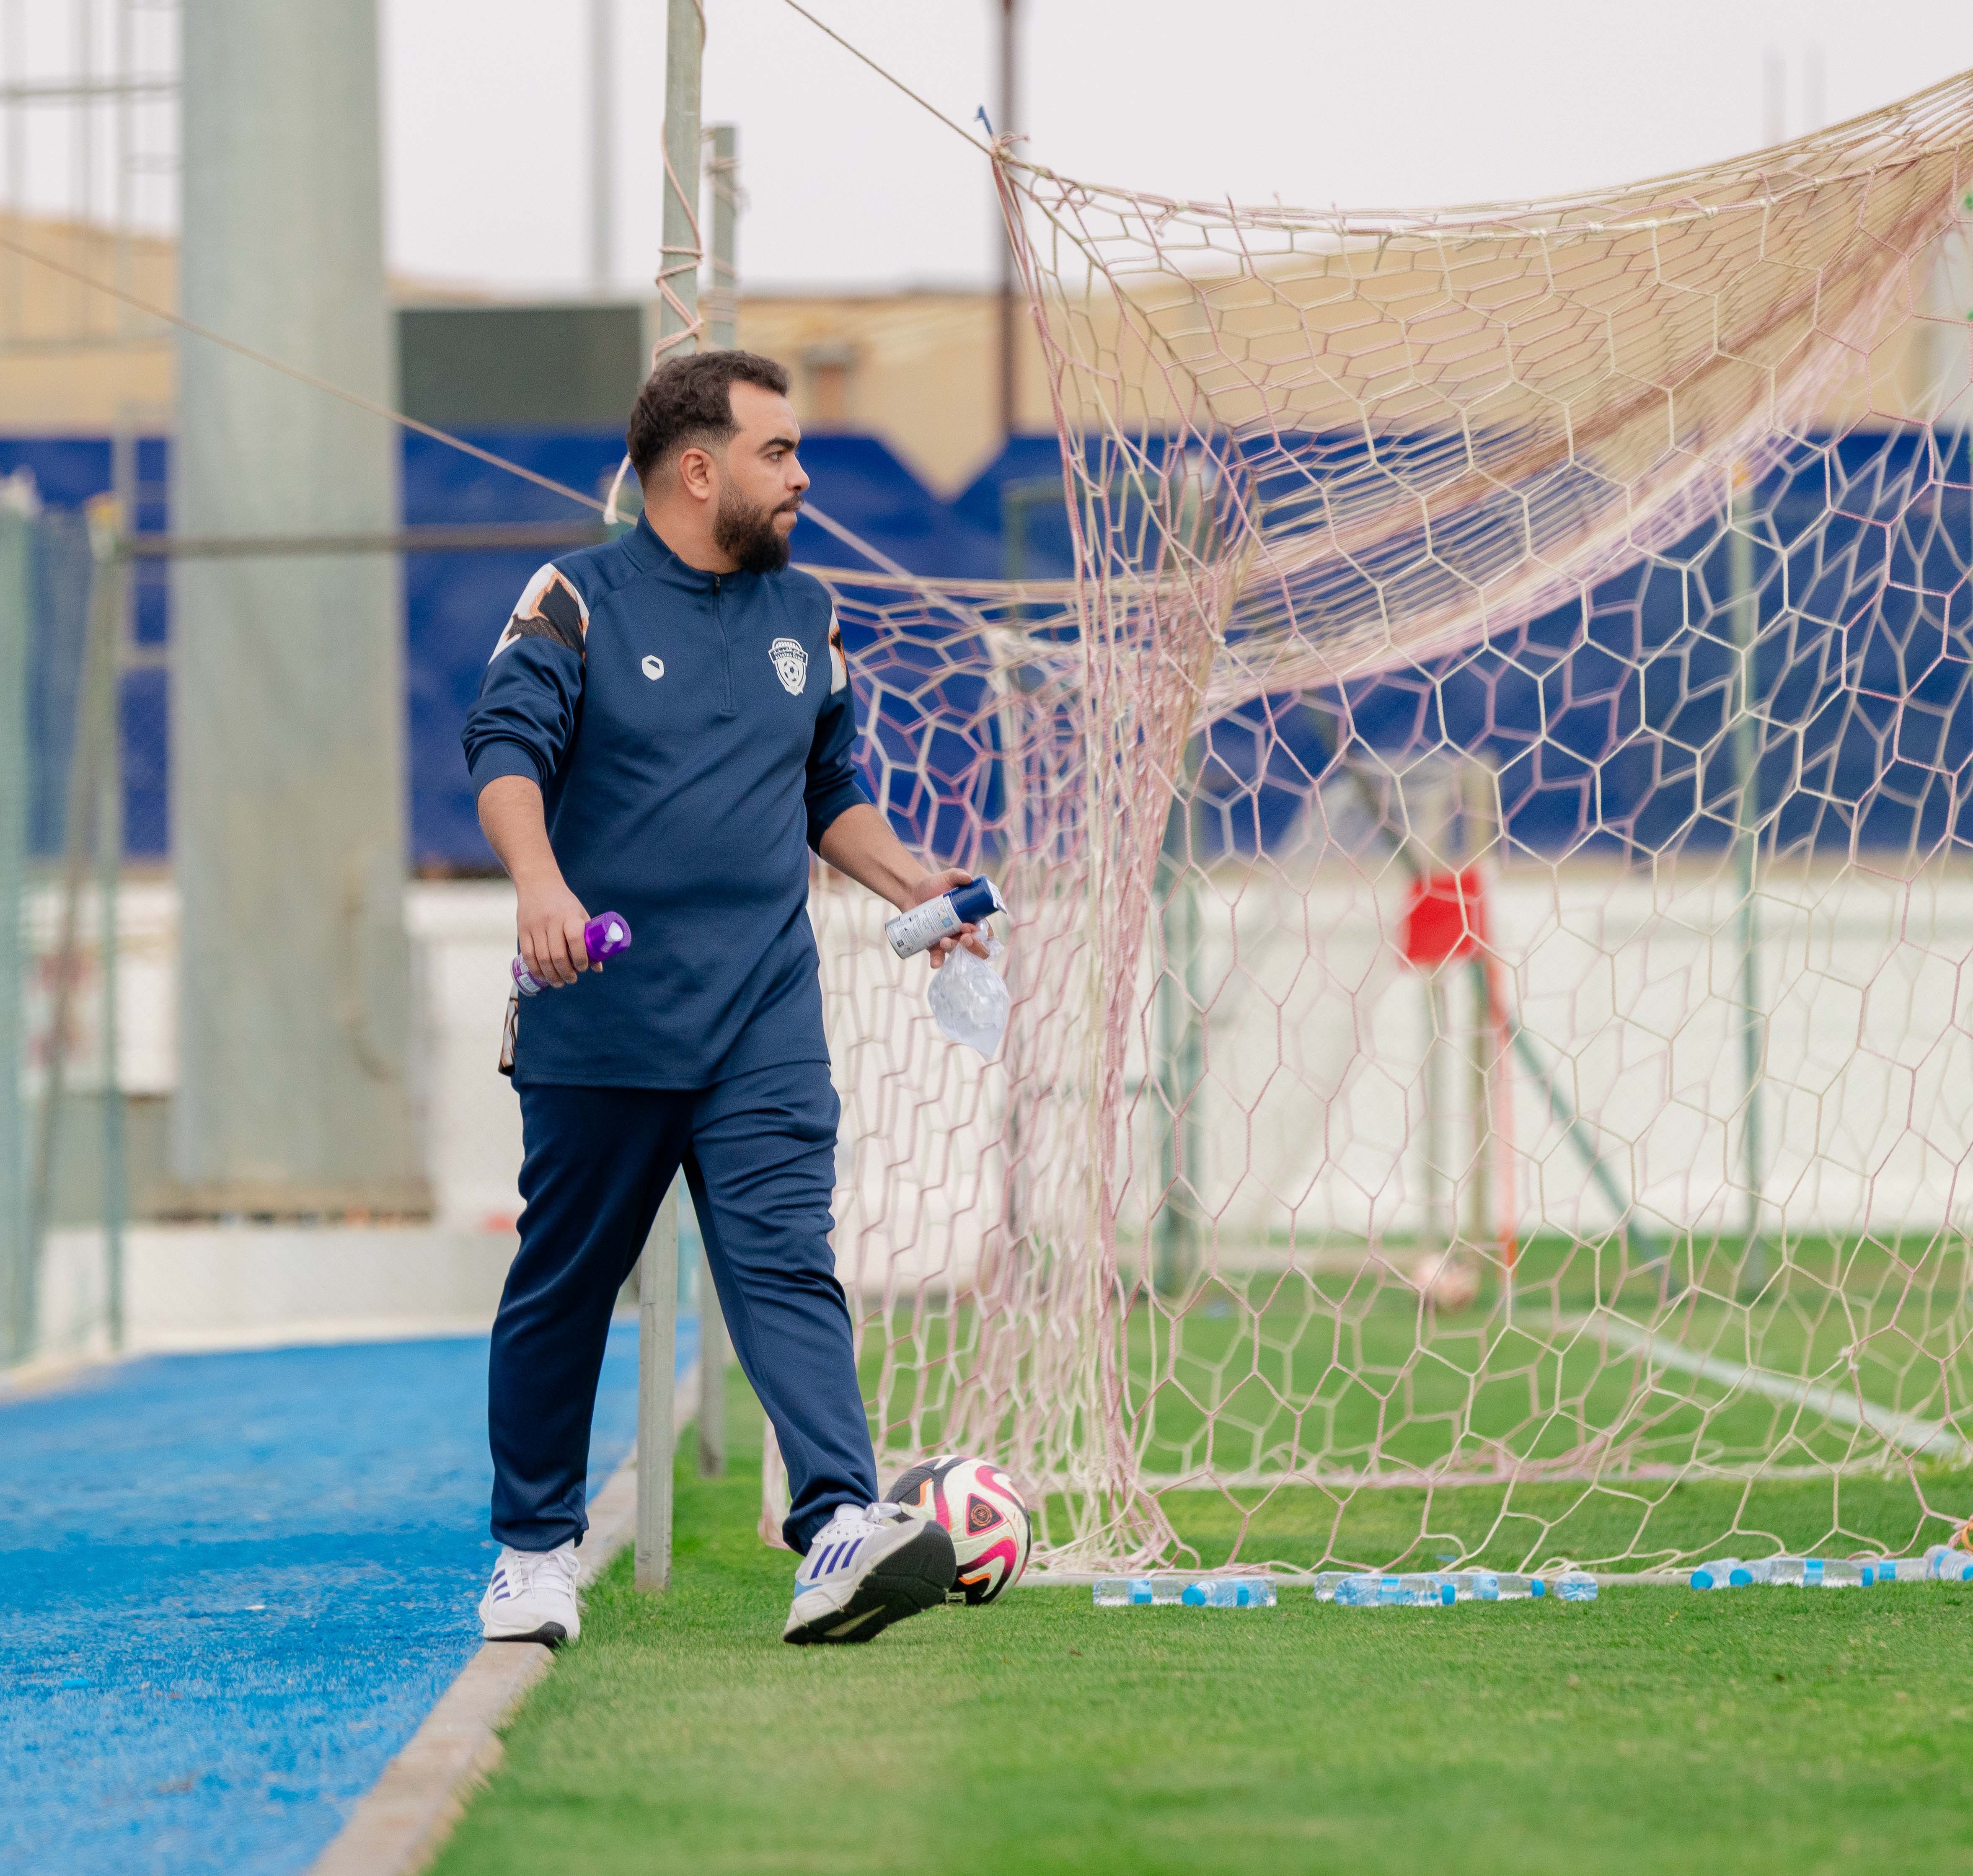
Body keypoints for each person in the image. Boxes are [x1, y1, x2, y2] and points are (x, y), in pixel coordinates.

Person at [461, 349, 984, 1646]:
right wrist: (538, 888)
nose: (804, 477)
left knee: (785, 1263)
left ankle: (838, 1530)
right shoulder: (574, 598)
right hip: (604, 1014)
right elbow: (503, 751)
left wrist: (918, 888)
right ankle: (533, 1555)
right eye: (779, 454)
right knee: (566, 1284)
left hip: (765, 1019)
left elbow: (829, 795)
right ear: (698, 471)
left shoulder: (809, 614)